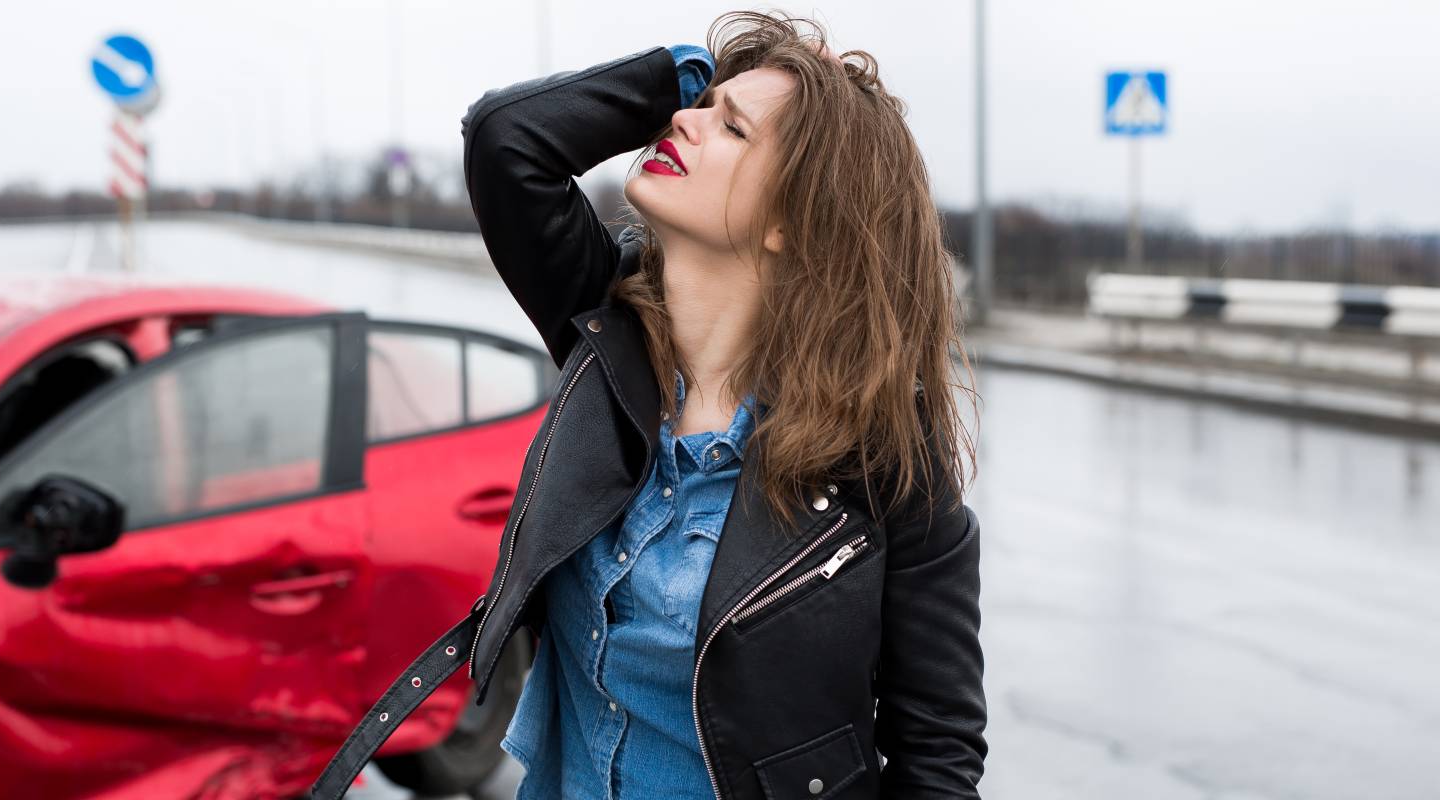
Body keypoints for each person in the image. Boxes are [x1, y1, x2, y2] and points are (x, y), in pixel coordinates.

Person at [309, 9, 986, 800]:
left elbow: (936, 750)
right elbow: (506, 139)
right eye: (699, 108)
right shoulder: (609, 341)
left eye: (730, 128)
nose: (686, 124)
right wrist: (695, 72)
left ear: (790, 220)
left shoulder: (881, 456)